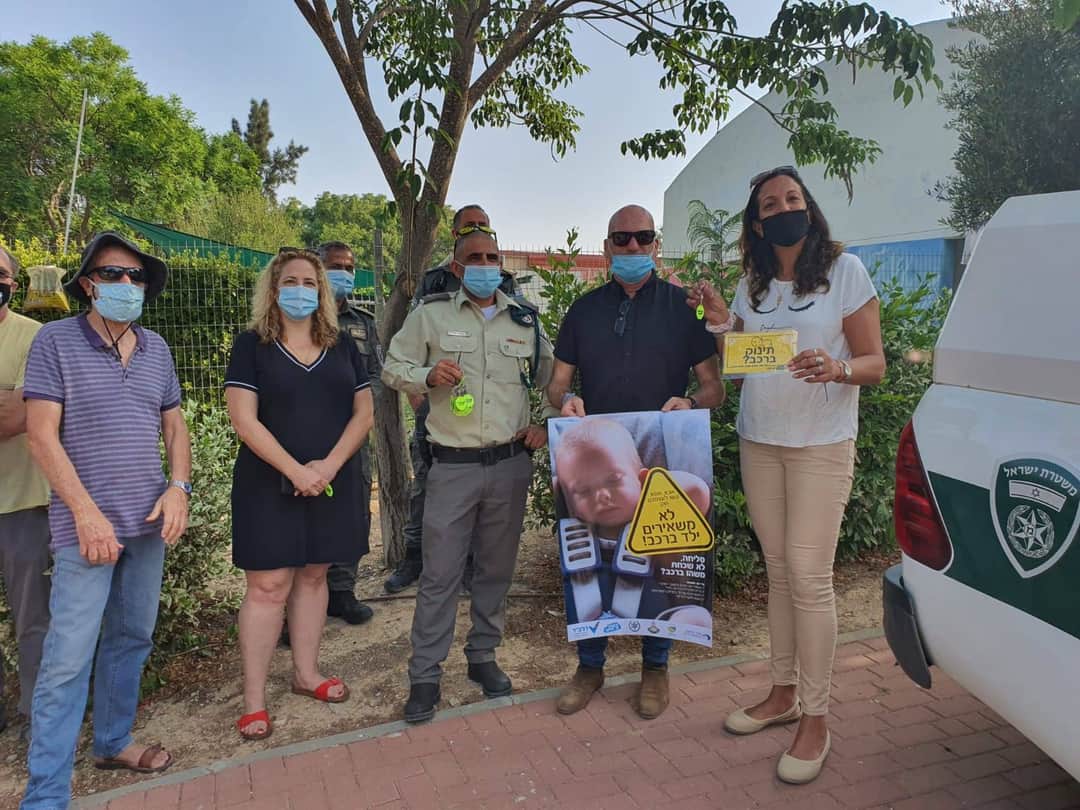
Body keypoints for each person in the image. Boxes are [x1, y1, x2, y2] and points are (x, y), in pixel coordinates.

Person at [688, 165, 885, 784]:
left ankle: (817, 717)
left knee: (809, 575)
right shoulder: (750, 284)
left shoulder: (845, 272)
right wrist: (722, 320)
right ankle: (782, 693)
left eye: (792, 198)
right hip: (761, 439)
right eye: (769, 204)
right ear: (757, 223)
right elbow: (745, 357)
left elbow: (875, 362)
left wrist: (838, 367)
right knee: (778, 570)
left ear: (809, 207)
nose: (783, 209)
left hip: (822, 444)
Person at [20, 232, 191, 809]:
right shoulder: (55, 341)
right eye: (113, 274)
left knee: (131, 638)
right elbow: (41, 436)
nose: (126, 284)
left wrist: (179, 488)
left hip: (148, 525)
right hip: (84, 531)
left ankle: (113, 743)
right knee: (66, 661)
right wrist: (86, 513)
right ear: (87, 284)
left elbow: (175, 426)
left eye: (135, 276)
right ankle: (46, 795)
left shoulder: (157, 348)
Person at [546, 204, 723, 721]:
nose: (631, 247)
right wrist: (565, 401)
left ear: (655, 245)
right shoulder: (582, 311)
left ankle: (655, 668)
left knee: (659, 567)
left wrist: (691, 402)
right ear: (606, 247)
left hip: (654, 463)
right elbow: (557, 384)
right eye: (621, 239)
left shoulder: (681, 310)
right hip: (591, 466)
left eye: (642, 237)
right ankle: (590, 667)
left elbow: (713, 388)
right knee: (588, 568)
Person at [382, 228, 552, 723]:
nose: (485, 264)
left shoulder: (524, 320)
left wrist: (545, 421)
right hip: (453, 466)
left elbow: (554, 378)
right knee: (440, 574)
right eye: (474, 258)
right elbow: (392, 365)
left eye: (492, 257)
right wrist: (425, 376)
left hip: (509, 464)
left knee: (496, 570)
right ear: (457, 268)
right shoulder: (430, 315)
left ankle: (482, 656)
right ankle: (425, 675)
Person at [225, 248, 374, 741]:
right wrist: (295, 471)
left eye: (310, 282)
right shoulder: (251, 345)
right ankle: (253, 701)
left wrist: (326, 468)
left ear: (322, 292)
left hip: (331, 481)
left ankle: (306, 674)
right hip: (268, 483)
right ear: (272, 289)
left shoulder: (342, 345)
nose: (301, 290)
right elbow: (243, 419)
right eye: (290, 281)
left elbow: (364, 413)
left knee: (314, 576)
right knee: (268, 588)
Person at [383, 204, 518, 593]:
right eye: (469, 227)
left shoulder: (506, 283)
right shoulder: (434, 282)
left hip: (489, 417)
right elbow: (408, 352)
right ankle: (414, 558)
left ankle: (471, 568)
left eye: (483, 226)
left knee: (483, 500)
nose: (478, 231)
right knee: (427, 485)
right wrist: (421, 393)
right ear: (455, 234)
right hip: (437, 408)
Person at [0, 246, 51, 740]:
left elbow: (16, 417)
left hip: (23, 502)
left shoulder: (32, 336)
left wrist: (11, 405)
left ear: (14, 284)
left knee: (32, 617)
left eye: (0, 274)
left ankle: (39, 715)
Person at [321, 240, 381, 624]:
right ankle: (299, 602)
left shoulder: (363, 323)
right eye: (334, 266)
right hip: (308, 437)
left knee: (354, 511)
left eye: (348, 267)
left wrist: (360, 412)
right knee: (307, 514)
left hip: (354, 437)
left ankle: (343, 591)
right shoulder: (297, 320)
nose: (343, 273)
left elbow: (376, 376)